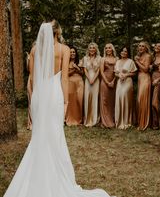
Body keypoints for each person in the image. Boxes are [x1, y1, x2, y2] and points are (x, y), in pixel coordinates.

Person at [4, 20, 111, 197]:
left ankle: (38, 174)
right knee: (55, 134)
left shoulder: (34, 50)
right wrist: (66, 102)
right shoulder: (64, 49)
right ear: (58, 32)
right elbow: (64, 78)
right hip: (54, 93)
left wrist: (33, 99)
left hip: (40, 93)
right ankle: (54, 175)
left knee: (39, 135)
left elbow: (33, 78)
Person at [115, 46, 137, 129]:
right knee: (119, 98)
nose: (123, 53)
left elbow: (134, 73)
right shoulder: (117, 61)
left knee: (125, 98)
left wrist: (126, 75)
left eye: (125, 51)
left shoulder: (130, 61)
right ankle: (119, 121)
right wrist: (119, 75)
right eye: (122, 51)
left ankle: (126, 121)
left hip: (127, 82)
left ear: (128, 53)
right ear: (120, 52)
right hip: (119, 82)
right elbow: (115, 73)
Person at [83, 42, 101, 127]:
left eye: (93, 48)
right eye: (90, 48)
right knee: (87, 98)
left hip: (96, 80)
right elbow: (85, 70)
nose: (92, 49)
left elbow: (99, 70)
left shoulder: (99, 58)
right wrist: (89, 79)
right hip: (87, 79)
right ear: (88, 49)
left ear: (96, 49)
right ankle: (87, 119)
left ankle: (94, 119)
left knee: (95, 98)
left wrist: (93, 79)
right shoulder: (85, 58)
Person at [134, 41, 152, 130]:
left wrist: (137, 61)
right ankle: (139, 121)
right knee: (139, 100)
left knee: (142, 100)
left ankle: (144, 123)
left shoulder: (148, 56)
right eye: (139, 46)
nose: (140, 48)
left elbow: (145, 69)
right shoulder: (139, 56)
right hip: (140, 78)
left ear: (146, 48)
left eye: (142, 46)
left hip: (145, 78)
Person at [65, 46, 84, 126]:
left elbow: (83, 73)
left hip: (79, 83)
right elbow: (66, 74)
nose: (72, 53)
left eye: (74, 52)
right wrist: (74, 69)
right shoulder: (66, 62)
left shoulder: (80, 61)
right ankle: (71, 118)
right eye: (71, 52)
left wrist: (77, 68)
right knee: (71, 101)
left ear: (76, 53)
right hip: (70, 83)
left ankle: (80, 119)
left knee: (79, 100)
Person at [100, 43, 117, 128]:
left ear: (112, 49)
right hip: (104, 81)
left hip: (114, 81)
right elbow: (101, 72)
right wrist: (107, 82)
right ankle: (105, 122)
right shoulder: (103, 59)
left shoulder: (116, 59)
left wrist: (113, 81)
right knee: (104, 101)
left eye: (109, 48)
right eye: (106, 48)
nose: (108, 49)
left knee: (112, 101)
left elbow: (117, 71)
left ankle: (112, 119)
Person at [150, 42, 160, 129]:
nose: (157, 47)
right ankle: (155, 124)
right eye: (156, 45)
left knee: (155, 103)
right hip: (153, 79)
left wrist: (158, 80)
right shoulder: (153, 57)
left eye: (159, 46)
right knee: (154, 102)